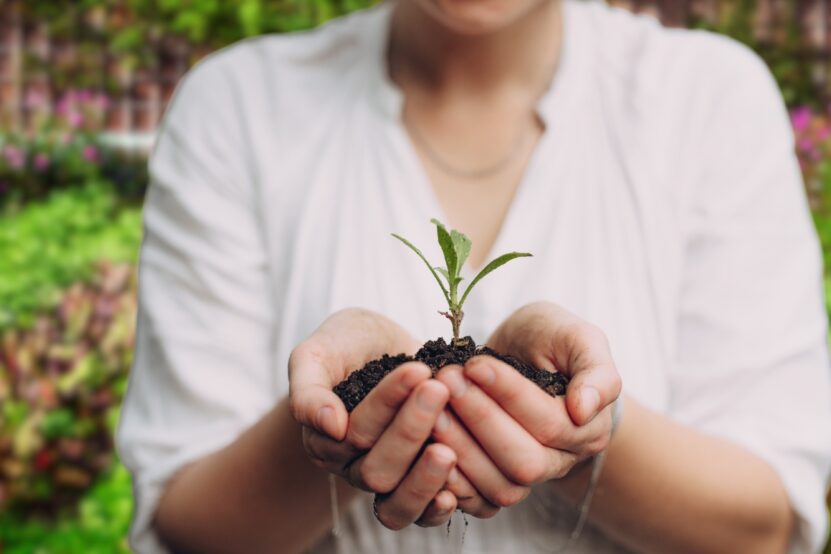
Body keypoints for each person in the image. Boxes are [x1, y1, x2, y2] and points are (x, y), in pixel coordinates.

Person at [116, 0, 831, 552]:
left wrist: (590, 434)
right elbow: (190, 529)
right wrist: (330, 428)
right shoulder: (238, 108)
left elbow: (763, 526)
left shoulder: (706, 99)